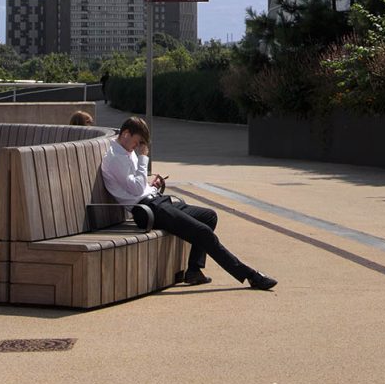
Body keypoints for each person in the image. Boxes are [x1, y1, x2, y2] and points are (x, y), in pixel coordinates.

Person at [101, 116, 276, 290]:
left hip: (156, 202)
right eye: (137, 142)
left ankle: (194, 271)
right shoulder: (116, 157)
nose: (137, 147)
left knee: (209, 216)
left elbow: (136, 185)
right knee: (203, 232)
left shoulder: (126, 152)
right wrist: (143, 159)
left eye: (140, 144)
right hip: (147, 210)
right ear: (125, 134)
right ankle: (250, 275)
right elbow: (136, 190)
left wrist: (151, 183)